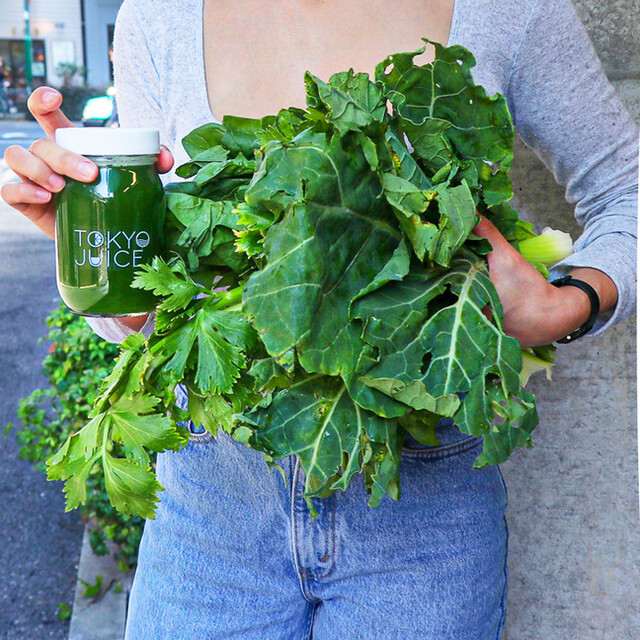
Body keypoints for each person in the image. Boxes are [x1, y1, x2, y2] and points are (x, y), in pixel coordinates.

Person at [2, 0, 637, 637]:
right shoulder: (160, 16)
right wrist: (101, 256)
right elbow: (153, 307)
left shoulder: (509, 9)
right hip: (212, 504)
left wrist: (566, 306)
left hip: (423, 512)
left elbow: (627, 191)